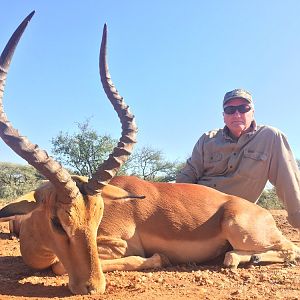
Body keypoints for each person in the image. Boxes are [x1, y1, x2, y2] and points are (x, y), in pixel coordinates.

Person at [176, 88, 300, 230]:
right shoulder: (207, 139)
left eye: (243, 108)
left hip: (235, 217)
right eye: (230, 110)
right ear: (223, 116)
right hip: (197, 211)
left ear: (252, 112)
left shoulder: (271, 137)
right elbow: (188, 175)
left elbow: (288, 180)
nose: (237, 114)